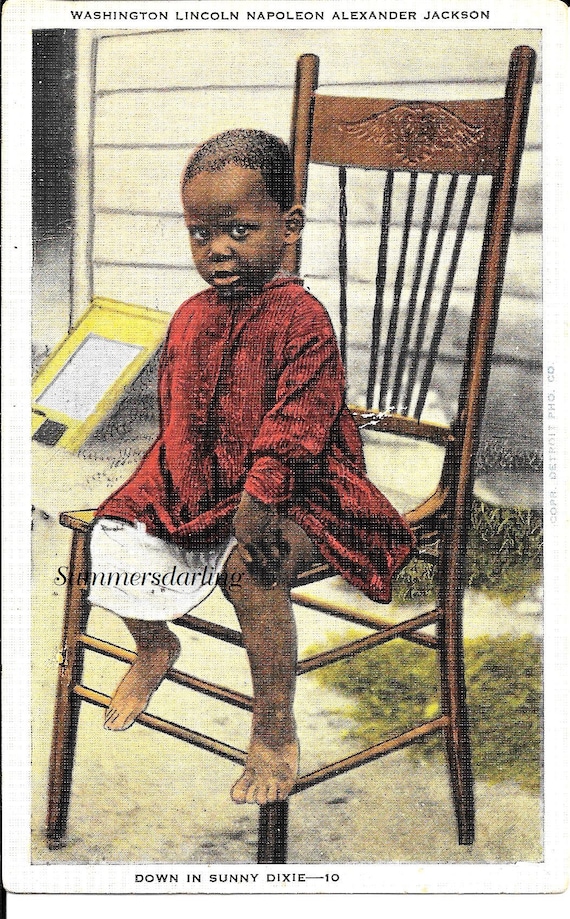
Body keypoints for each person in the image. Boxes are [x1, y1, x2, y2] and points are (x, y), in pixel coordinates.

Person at [89, 129, 414, 806]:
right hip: (207, 483)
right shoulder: (189, 317)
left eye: (240, 228)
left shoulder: (304, 320)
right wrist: (170, 489)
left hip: (302, 488)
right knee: (111, 526)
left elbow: (299, 428)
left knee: (251, 565)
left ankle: (272, 723)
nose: (219, 250)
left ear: (288, 225)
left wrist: (258, 495)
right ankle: (154, 644)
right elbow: (180, 418)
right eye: (201, 234)